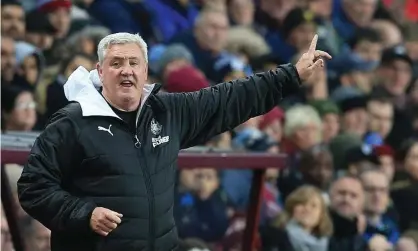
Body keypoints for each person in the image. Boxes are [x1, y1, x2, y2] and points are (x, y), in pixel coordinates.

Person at [17, 32, 331, 251]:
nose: (126, 70)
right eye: (116, 63)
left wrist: (291, 75)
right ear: (100, 71)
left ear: (145, 70)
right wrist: (84, 214)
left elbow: (230, 98)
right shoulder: (72, 121)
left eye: (133, 62)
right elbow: (33, 186)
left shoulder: (167, 111)